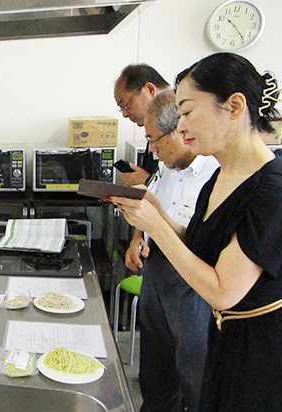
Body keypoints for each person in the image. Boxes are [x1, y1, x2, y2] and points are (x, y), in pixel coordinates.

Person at [111, 53, 282, 411]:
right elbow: (200, 242)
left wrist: (156, 225)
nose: (182, 126)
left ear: (234, 107)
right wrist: (155, 213)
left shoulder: (271, 188)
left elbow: (224, 290)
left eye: (187, 112)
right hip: (220, 334)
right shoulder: (220, 177)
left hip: (252, 349)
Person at [125, 91, 219, 412]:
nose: (152, 149)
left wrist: (155, 216)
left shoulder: (215, 173)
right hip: (157, 273)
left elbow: (201, 242)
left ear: (180, 132)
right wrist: (138, 236)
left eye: (155, 140)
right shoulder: (166, 165)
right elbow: (151, 198)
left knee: (194, 374)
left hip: (192, 283)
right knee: (155, 371)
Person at [114, 64, 171, 186]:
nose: (124, 114)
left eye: (125, 105)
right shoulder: (155, 126)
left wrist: (148, 182)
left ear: (150, 90)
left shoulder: (182, 123)